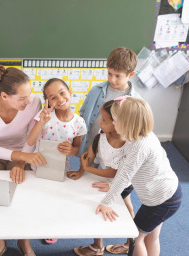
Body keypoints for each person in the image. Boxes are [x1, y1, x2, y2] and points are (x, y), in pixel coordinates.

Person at [0, 64, 46, 256]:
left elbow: (31, 138)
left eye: (29, 94)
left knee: (25, 190)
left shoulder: (34, 103)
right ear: (4, 96)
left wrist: (21, 163)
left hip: (22, 150)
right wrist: (24, 157)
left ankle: (25, 241)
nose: (28, 101)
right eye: (22, 98)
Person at [96, 97, 182, 256]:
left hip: (161, 201)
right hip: (170, 193)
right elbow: (126, 169)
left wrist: (107, 202)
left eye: (115, 120)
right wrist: (113, 185)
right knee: (151, 236)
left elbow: (124, 175)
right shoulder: (143, 136)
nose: (113, 124)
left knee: (136, 237)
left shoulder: (139, 146)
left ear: (127, 123)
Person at [67, 100, 135, 256]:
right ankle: (100, 245)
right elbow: (91, 152)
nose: (100, 122)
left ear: (118, 123)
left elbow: (114, 173)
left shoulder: (126, 143)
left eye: (104, 120)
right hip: (106, 179)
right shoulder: (103, 133)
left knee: (121, 207)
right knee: (121, 207)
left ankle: (126, 243)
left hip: (122, 182)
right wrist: (81, 170)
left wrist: (88, 168)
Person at [79, 47, 141, 157]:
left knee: (109, 172)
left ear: (130, 74)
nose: (112, 79)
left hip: (116, 149)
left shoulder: (135, 101)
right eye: (110, 73)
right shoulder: (95, 90)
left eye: (118, 76)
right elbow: (83, 113)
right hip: (91, 142)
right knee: (87, 168)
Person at [27, 78, 87, 169]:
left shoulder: (79, 122)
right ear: (49, 102)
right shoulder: (44, 116)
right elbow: (30, 142)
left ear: (70, 93)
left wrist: (70, 150)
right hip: (39, 167)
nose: (60, 99)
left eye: (62, 93)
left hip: (61, 169)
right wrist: (41, 122)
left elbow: (76, 149)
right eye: (53, 98)